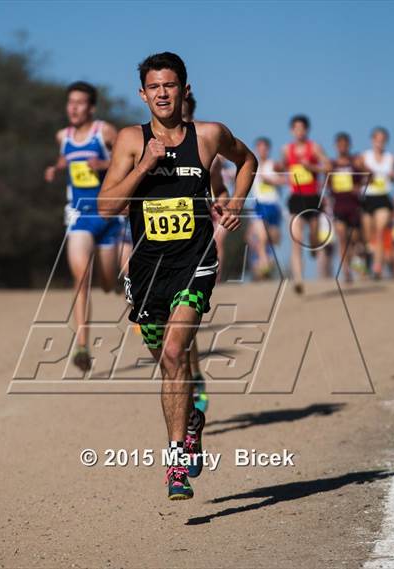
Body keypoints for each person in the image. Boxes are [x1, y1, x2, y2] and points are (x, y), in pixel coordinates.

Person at [98, 52, 257, 500]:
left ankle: (174, 464)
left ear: (183, 90)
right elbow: (108, 207)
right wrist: (145, 165)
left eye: (170, 85)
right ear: (142, 94)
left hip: (195, 260)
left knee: (174, 352)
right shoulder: (131, 140)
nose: (162, 93)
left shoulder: (208, 137)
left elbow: (248, 161)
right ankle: (190, 421)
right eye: (154, 87)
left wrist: (237, 202)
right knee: (166, 361)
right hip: (148, 270)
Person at [45, 81, 120, 371]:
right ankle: (82, 346)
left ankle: (116, 285)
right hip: (78, 216)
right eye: (70, 102)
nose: (73, 108)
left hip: (108, 217)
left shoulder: (105, 132)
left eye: (80, 103)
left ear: (91, 107)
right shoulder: (62, 136)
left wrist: (103, 165)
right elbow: (66, 158)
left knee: (106, 282)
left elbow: (126, 159)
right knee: (81, 278)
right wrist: (56, 168)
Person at [181, 92, 230, 413]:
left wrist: (224, 204)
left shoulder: (206, 149)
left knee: (181, 329)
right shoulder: (146, 145)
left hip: (192, 248)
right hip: (153, 251)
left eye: (183, 118)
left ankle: (193, 381)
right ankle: (193, 375)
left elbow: (222, 190)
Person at [275, 115, 330, 294]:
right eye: (296, 128)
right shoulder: (286, 149)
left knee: (313, 237)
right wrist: (279, 168)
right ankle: (298, 279)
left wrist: (312, 168)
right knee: (296, 239)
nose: (299, 131)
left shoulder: (314, 148)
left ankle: (314, 247)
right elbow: (282, 166)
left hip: (313, 197)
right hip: (296, 198)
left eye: (302, 128)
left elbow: (328, 167)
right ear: (292, 130)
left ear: (307, 130)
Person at [357, 127, 394, 279]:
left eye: (383, 140)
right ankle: (367, 259)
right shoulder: (364, 157)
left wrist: (393, 176)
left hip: (383, 197)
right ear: (372, 140)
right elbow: (357, 172)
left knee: (380, 232)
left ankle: (377, 268)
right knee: (368, 236)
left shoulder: (391, 158)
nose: (380, 143)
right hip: (367, 197)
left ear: (386, 141)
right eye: (377, 139)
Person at [327, 133, 363, 282]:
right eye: (339, 144)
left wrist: (358, 187)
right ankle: (346, 270)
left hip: (354, 206)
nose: (342, 147)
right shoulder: (332, 164)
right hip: (339, 206)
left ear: (349, 145)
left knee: (354, 238)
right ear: (336, 146)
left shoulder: (356, 163)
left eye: (345, 144)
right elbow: (327, 184)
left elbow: (368, 177)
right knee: (341, 237)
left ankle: (356, 262)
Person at [249, 137, 285, 279]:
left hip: (273, 205)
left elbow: (284, 180)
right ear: (257, 149)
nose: (262, 150)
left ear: (268, 149)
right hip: (258, 205)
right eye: (259, 147)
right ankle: (264, 264)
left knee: (274, 239)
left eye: (264, 147)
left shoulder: (274, 165)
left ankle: (267, 262)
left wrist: (271, 180)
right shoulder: (251, 165)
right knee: (262, 237)